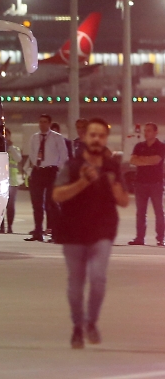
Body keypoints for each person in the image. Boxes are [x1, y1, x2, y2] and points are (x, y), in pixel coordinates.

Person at [52, 118, 129, 349]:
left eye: (101, 136)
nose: (96, 139)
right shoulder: (72, 166)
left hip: (102, 231)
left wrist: (114, 186)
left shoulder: (112, 167)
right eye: (92, 135)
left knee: (98, 279)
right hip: (73, 232)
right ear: (85, 137)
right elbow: (57, 195)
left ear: (106, 139)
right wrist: (83, 183)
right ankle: (77, 326)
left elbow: (124, 200)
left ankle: (91, 322)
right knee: (76, 283)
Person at [26, 114, 69, 241]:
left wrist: (57, 169)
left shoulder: (57, 137)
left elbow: (64, 155)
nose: (42, 124)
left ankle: (56, 232)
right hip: (38, 171)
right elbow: (32, 153)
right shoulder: (34, 137)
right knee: (37, 204)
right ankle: (38, 232)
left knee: (52, 203)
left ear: (49, 123)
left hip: (51, 172)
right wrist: (36, 164)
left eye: (45, 122)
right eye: (40, 122)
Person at [127, 122, 165, 246]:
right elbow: (132, 160)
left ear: (155, 132)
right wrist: (147, 160)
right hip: (140, 183)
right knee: (140, 212)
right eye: (145, 130)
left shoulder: (161, 146)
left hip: (156, 183)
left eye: (149, 130)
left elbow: (156, 160)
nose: (146, 133)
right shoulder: (139, 146)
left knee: (158, 211)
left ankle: (160, 238)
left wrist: (141, 160)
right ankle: (139, 238)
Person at [0, 128, 24, 234]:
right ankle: (1, 226)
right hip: (0, 180)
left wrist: (10, 147)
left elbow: (18, 159)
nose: (6, 137)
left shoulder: (15, 148)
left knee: (10, 205)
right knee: (1, 204)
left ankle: (9, 226)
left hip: (13, 181)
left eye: (7, 135)